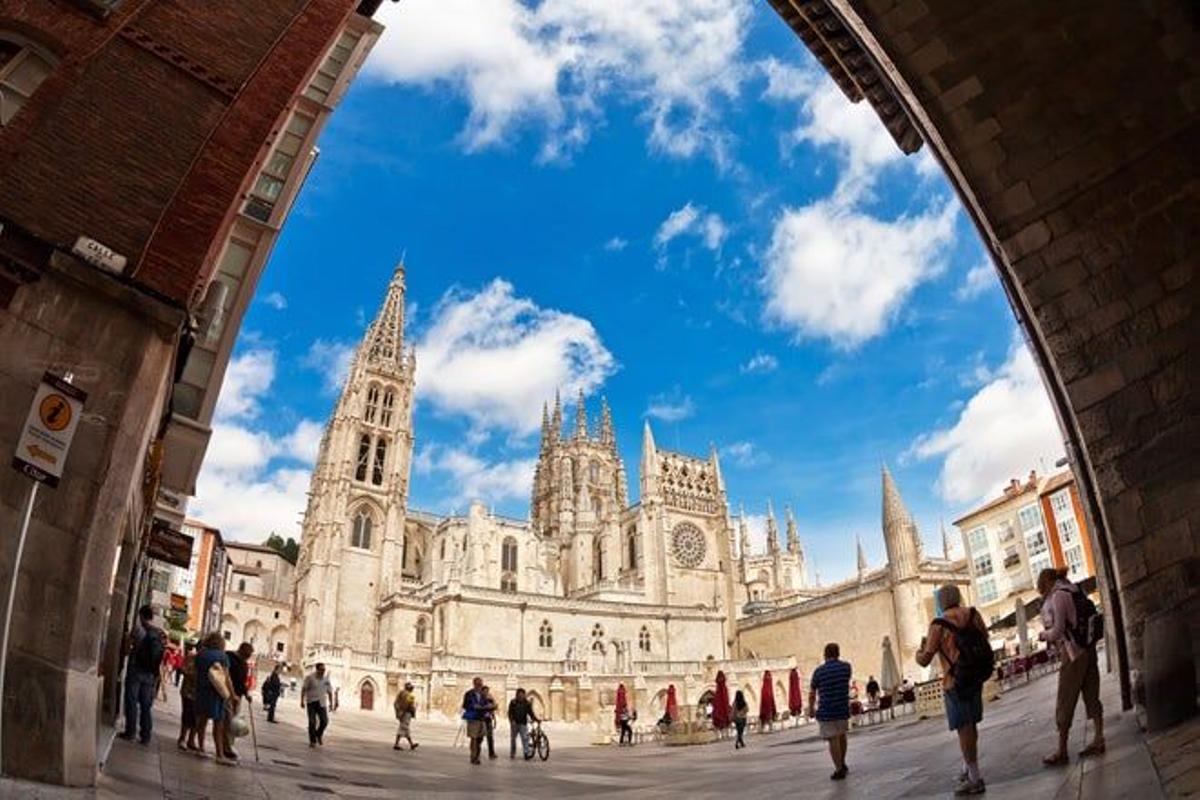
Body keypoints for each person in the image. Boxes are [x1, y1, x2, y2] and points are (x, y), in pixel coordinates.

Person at [916, 584, 990, 796]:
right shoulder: (973, 615)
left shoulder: (938, 624)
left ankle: (975, 779)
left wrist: (918, 652)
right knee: (971, 725)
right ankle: (968, 768)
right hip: (975, 677)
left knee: (963, 728)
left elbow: (924, 660)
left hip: (954, 682)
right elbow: (984, 639)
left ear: (941, 601)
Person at [1037, 566, 1105, 766]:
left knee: (1065, 698)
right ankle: (1099, 738)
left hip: (1073, 653)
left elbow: (1058, 630)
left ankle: (1062, 749)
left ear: (1045, 583)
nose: (1042, 592)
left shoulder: (1058, 596)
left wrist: (1044, 635)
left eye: (1041, 588)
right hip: (1088, 646)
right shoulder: (1074, 589)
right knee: (1091, 692)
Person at [119, 605, 164, 744]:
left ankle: (130, 732)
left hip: (136, 669)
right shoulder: (159, 633)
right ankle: (146, 736)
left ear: (141, 616)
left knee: (131, 701)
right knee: (146, 705)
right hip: (150, 673)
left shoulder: (138, 629)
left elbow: (126, 650)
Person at [808, 642, 852, 780]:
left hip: (827, 710)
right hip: (842, 707)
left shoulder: (819, 672)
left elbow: (812, 692)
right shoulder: (846, 668)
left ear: (825, 654)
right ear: (838, 653)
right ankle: (843, 762)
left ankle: (839, 769)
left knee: (833, 738)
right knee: (842, 736)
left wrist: (811, 708)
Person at [193, 632, 237, 766]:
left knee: (202, 720)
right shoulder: (222, 656)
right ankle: (219, 754)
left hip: (201, 690)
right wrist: (232, 694)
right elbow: (226, 678)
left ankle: (201, 748)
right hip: (216, 693)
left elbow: (196, 673)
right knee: (219, 724)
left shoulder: (200, 654)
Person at [223, 642, 254, 759]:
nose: (247, 658)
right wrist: (232, 694)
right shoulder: (229, 657)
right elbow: (227, 677)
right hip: (227, 694)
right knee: (227, 721)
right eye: (246, 655)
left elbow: (242, 682)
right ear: (241, 651)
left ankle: (229, 745)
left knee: (233, 723)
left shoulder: (244, 664)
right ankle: (225, 746)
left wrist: (246, 694)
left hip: (238, 696)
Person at [302, 662, 334, 747]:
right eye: (321, 670)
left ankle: (318, 734)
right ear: (317, 669)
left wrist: (331, 704)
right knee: (312, 722)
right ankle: (312, 741)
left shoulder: (326, 680)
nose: (323, 671)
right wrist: (302, 701)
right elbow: (304, 688)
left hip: (322, 703)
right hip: (311, 702)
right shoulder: (310, 678)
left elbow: (330, 692)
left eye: (324, 670)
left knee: (324, 721)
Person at [176, 641, 198, 752]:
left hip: (199, 693)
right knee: (187, 715)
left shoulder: (208, 660)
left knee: (196, 718)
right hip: (188, 691)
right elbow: (183, 669)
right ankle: (182, 738)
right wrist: (194, 674)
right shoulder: (191, 657)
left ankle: (191, 740)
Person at [461, 677, 488, 765]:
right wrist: (473, 707)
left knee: (480, 738)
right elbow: (465, 705)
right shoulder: (469, 694)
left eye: (480, 684)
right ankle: (473, 756)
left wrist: (489, 707)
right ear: (474, 684)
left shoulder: (483, 695)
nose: (479, 686)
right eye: (478, 684)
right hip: (473, 718)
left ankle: (477, 754)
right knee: (474, 738)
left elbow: (486, 704)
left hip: (481, 718)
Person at [507, 687, 539, 759]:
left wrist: (536, 719)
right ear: (517, 695)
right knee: (513, 739)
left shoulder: (527, 703)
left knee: (525, 738)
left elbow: (530, 713)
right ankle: (513, 753)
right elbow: (510, 713)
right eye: (519, 694)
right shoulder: (513, 702)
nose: (521, 696)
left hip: (523, 723)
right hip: (514, 723)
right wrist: (512, 721)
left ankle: (526, 753)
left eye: (522, 694)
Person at [393, 681, 419, 751]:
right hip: (406, 713)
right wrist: (412, 711)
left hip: (401, 713)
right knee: (403, 728)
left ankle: (411, 744)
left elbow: (396, 703)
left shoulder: (401, 693)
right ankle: (396, 744)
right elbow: (408, 705)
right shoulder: (410, 695)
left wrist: (398, 712)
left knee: (405, 729)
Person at [481, 685, 499, 759]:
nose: (486, 692)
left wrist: (493, 705)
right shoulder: (480, 699)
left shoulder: (490, 698)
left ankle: (491, 753)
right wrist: (486, 707)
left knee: (490, 737)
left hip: (488, 719)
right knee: (480, 737)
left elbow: (495, 706)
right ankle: (476, 753)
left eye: (487, 691)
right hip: (481, 719)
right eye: (485, 691)